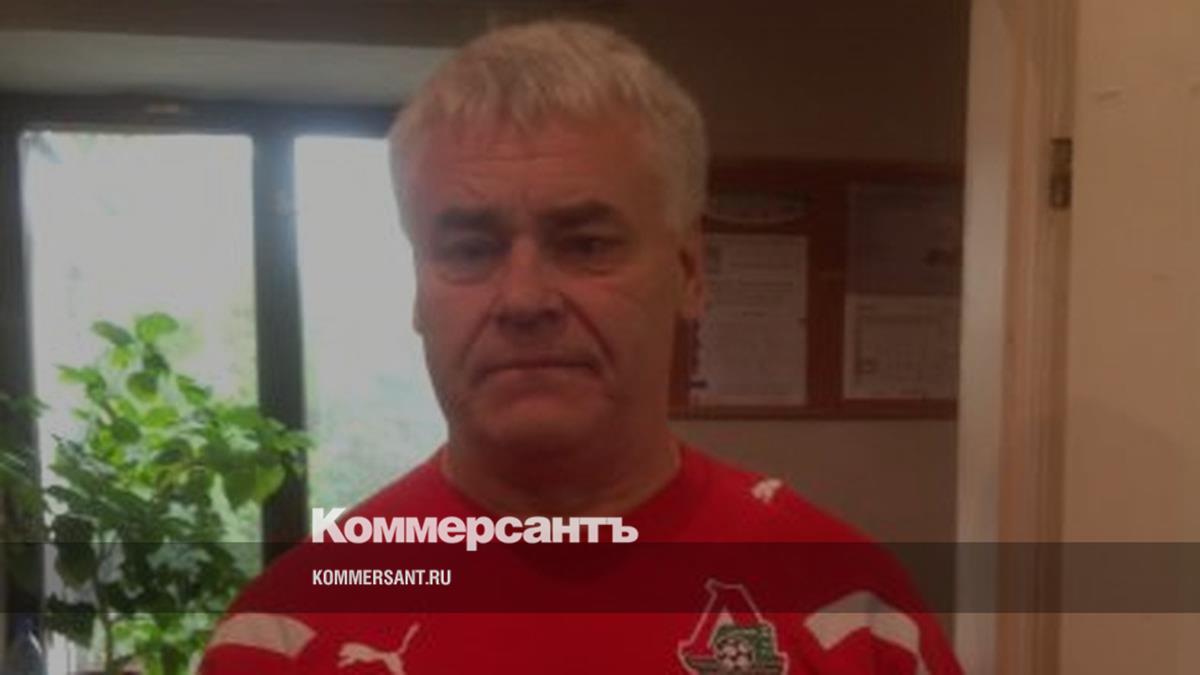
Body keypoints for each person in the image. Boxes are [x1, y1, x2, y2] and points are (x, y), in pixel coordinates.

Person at [200, 20, 962, 674]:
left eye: (587, 243)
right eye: (470, 250)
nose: (524, 299)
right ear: (418, 289)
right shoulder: (285, 634)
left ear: (690, 273)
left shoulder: (852, 614)